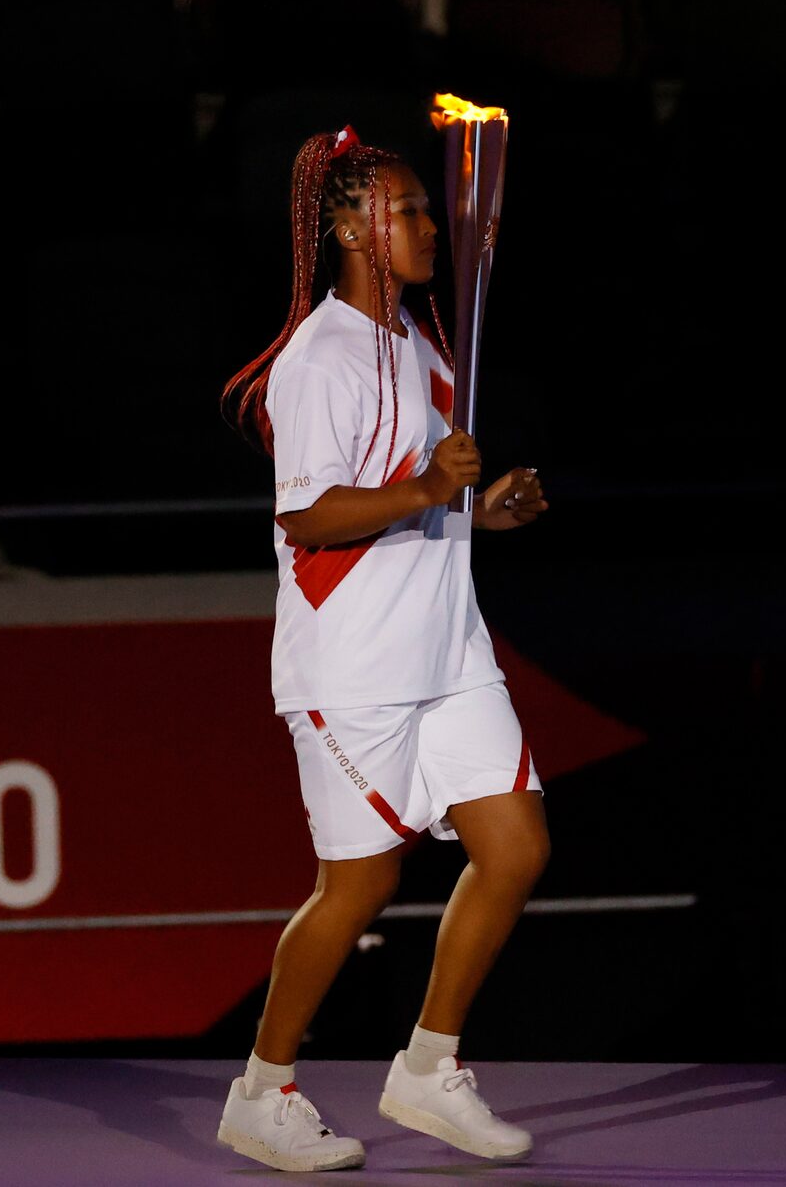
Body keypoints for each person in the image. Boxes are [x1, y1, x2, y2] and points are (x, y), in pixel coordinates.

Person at [213, 123, 552, 1172]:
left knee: (517, 849)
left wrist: (480, 510)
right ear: (357, 227)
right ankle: (262, 1092)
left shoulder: (420, 346)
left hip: (448, 650)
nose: (426, 229)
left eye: (421, 209)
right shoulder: (317, 361)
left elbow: (421, 501)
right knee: (357, 887)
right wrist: (425, 489)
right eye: (406, 212)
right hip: (352, 663)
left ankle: (427, 1071)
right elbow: (310, 519)